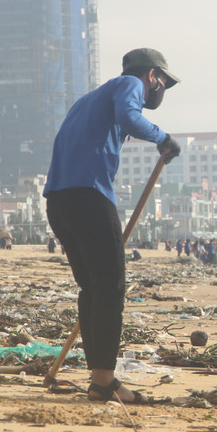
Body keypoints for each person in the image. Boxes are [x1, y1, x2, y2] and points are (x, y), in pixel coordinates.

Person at [43, 47, 181, 404]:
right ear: (153, 76)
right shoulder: (130, 84)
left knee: (93, 289)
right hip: (88, 196)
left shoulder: (88, 100)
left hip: (59, 201)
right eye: (163, 80)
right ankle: (103, 381)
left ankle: (98, 377)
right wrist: (163, 138)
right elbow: (131, 117)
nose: (161, 87)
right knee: (110, 287)